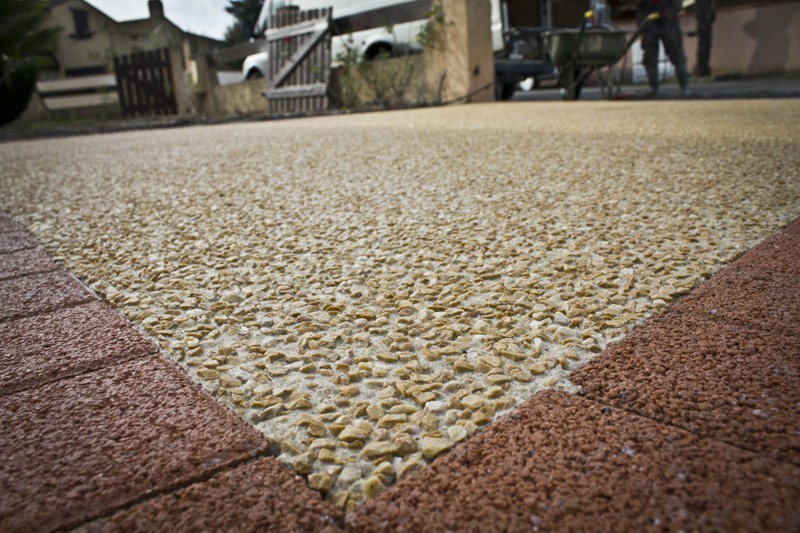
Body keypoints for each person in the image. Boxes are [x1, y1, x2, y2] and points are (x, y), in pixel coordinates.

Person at [637, 0, 689, 96]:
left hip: (667, 9)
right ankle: (654, 89)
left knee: (674, 46)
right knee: (650, 49)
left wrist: (675, 7)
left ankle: (684, 87)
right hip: (647, 10)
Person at [694, 0, 715, 77]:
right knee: (704, 46)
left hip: (705, 22)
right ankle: (701, 69)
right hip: (704, 23)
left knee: (705, 46)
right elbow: (701, 10)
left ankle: (703, 68)